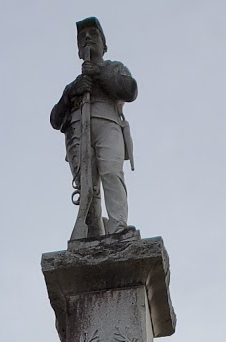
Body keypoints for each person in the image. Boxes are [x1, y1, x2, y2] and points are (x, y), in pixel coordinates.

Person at [50, 17, 137, 237]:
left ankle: (118, 226)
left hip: (108, 123)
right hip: (78, 130)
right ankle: (93, 231)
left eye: (93, 35)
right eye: (81, 37)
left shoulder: (114, 68)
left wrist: (99, 73)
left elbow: (129, 90)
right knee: (86, 185)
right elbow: (55, 119)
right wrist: (70, 93)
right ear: (79, 51)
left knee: (111, 172)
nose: (87, 38)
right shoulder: (75, 85)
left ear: (104, 46)